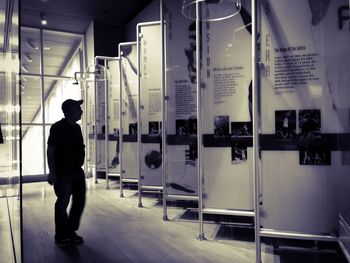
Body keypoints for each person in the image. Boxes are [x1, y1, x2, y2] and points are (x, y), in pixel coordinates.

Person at [47, 99, 86, 247]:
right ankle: (61, 234)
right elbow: (50, 150)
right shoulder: (57, 128)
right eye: (78, 108)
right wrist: (52, 172)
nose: (81, 111)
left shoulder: (77, 128)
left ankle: (70, 231)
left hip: (77, 172)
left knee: (79, 202)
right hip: (63, 174)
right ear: (69, 110)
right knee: (62, 204)